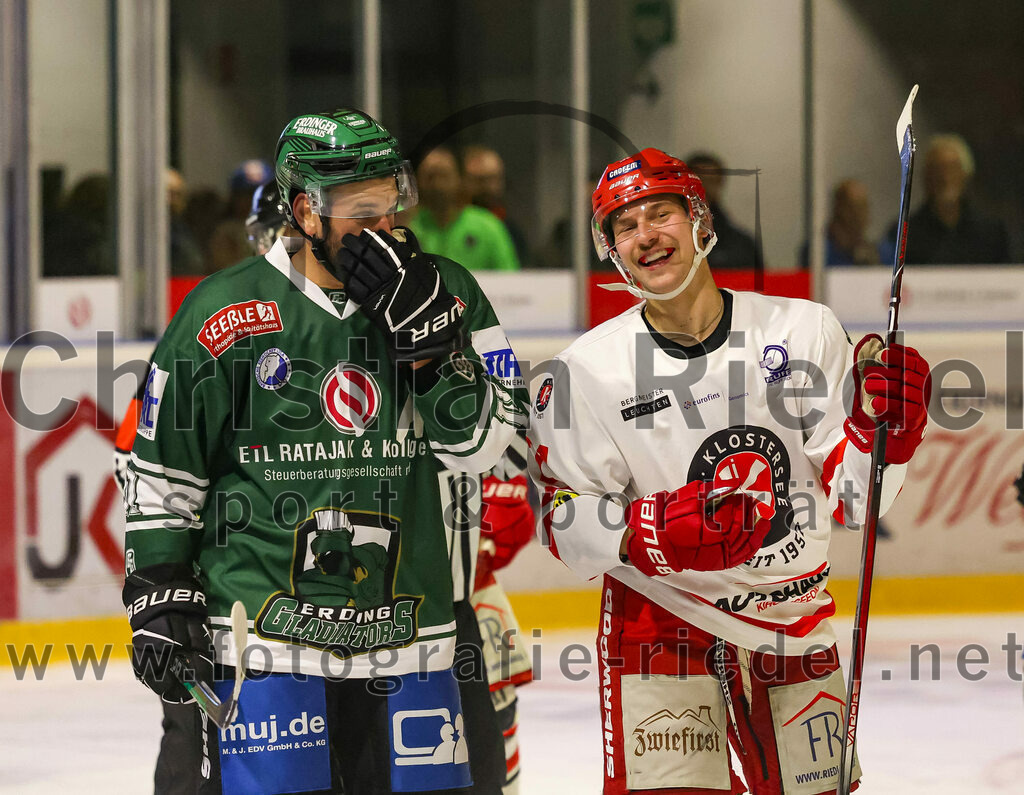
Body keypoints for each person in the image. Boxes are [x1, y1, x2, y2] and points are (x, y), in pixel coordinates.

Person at [121, 107, 527, 794]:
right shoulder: (221, 311)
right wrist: (157, 589)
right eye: (358, 208)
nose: (383, 224)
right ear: (305, 211)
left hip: (419, 631)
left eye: (388, 201)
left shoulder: (451, 292)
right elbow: (166, 471)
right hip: (263, 643)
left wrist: (433, 359)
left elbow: (489, 450)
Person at [527, 148, 932, 794]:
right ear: (611, 249)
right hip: (660, 621)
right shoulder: (586, 371)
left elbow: (856, 497)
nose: (645, 236)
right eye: (624, 226)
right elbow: (557, 514)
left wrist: (892, 437)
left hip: (793, 615)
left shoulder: (803, 330)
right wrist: (647, 529)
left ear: (699, 222)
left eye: (660, 214)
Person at [883, 133, 1010, 265]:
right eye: (938, 170)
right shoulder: (903, 234)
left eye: (952, 169)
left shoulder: (991, 234)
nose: (945, 178)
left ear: (966, 175)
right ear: (926, 177)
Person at [408, 147, 521, 271]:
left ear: (459, 179)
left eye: (444, 176)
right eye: (430, 177)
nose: (437, 184)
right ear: (418, 181)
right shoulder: (409, 228)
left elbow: (510, 276)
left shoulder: (488, 226)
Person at [686, 152, 759, 270]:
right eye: (699, 181)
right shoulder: (670, 237)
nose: (705, 188)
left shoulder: (741, 243)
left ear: (721, 183)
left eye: (711, 181)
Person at [462, 144, 529, 264]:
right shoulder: (447, 224)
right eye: (480, 180)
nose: (489, 187)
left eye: (495, 179)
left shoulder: (512, 232)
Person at [802, 179, 884, 267]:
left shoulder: (875, 252)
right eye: (854, 208)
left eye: (864, 207)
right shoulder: (819, 251)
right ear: (840, 209)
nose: (862, 215)